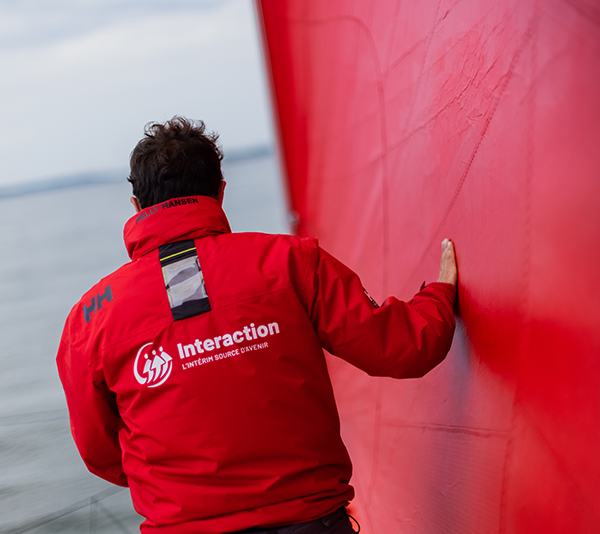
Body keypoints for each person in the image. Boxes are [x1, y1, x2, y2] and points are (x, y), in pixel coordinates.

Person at [56, 117, 458, 534]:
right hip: (312, 522)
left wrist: (177, 481)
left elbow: (98, 449)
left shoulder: (89, 318)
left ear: (137, 207)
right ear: (220, 192)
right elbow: (404, 347)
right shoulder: (291, 261)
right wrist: (442, 294)